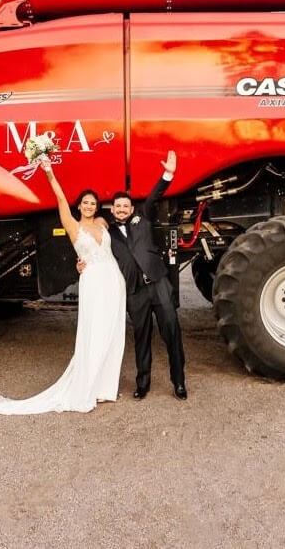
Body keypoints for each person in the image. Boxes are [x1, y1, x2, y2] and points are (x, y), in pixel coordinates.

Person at [0, 156, 127, 414]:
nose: (90, 206)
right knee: (94, 333)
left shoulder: (104, 224)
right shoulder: (73, 225)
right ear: (80, 206)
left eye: (93, 203)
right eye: (86, 203)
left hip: (113, 280)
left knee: (113, 332)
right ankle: (88, 386)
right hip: (93, 282)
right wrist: (49, 172)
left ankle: (105, 387)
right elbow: (60, 199)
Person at [107, 151, 186, 400]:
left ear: (132, 208)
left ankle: (179, 382)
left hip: (158, 284)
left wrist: (168, 174)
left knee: (171, 331)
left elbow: (155, 196)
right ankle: (143, 384)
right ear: (112, 210)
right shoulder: (107, 232)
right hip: (135, 292)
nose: (121, 209)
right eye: (117, 206)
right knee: (141, 337)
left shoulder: (143, 217)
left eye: (125, 206)